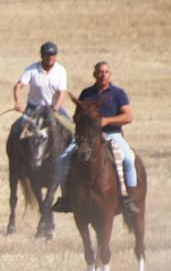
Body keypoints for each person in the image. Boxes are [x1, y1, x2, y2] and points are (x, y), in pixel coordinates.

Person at [56, 61, 140, 218]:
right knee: (63, 158)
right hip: (88, 136)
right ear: (94, 74)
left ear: (110, 74)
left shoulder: (118, 93)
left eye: (106, 72)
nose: (103, 75)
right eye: (100, 72)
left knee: (128, 158)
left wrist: (107, 121)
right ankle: (65, 197)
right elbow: (76, 117)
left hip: (112, 133)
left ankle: (127, 198)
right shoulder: (86, 93)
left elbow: (128, 116)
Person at [13, 41, 68, 133]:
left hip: (53, 107)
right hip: (34, 107)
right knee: (20, 129)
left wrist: (55, 108)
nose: (50, 58)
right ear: (42, 56)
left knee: (70, 127)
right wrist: (18, 102)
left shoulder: (60, 70)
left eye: (53, 55)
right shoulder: (32, 69)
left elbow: (61, 93)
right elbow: (18, 86)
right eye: (47, 55)